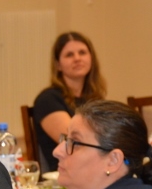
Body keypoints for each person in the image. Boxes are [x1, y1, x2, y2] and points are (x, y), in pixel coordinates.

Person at [32, 32, 107, 173]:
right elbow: (77, 142)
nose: (77, 58)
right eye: (69, 55)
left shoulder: (95, 99)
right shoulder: (47, 99)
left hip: (95, 170)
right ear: (58, 65)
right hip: (65, 176)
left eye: (82, 52)